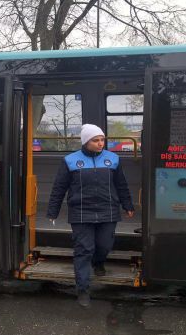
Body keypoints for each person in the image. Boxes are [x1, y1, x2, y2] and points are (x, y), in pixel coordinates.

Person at [46, 124, 135, 307]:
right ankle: (83, 290)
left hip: (108, 210)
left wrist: (128, 205)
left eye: (102, 139)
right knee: (84, 249)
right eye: (96, 140)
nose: (100, 143)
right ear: (86, 141)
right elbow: (59, 188)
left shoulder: (113, 159)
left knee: (104, 245)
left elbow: (122, 185)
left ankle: (99, 262)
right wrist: (52, 211)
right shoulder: (70, 161)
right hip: (80, 212)